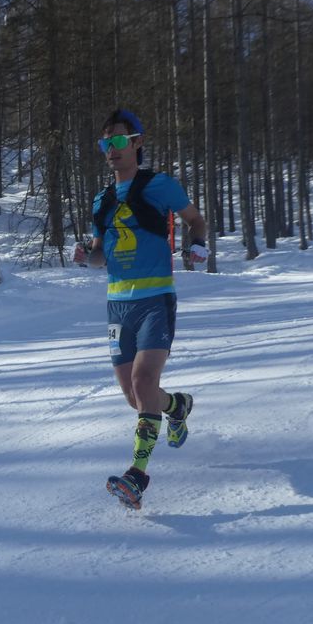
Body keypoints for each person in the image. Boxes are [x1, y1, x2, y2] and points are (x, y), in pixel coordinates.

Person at [72, 109, 209, 509]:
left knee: (144, 381)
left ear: (137, 142)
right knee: (136, 397)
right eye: (105, 143)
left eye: (118, 141)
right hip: (118, 306)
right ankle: (177, 406)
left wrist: (197, 246)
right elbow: (101, 256)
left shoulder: (159, 185)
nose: (110, 150)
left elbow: (195, 220)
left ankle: (137, 475)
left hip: (154, 300)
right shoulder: (102, 200)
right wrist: (85, 257)